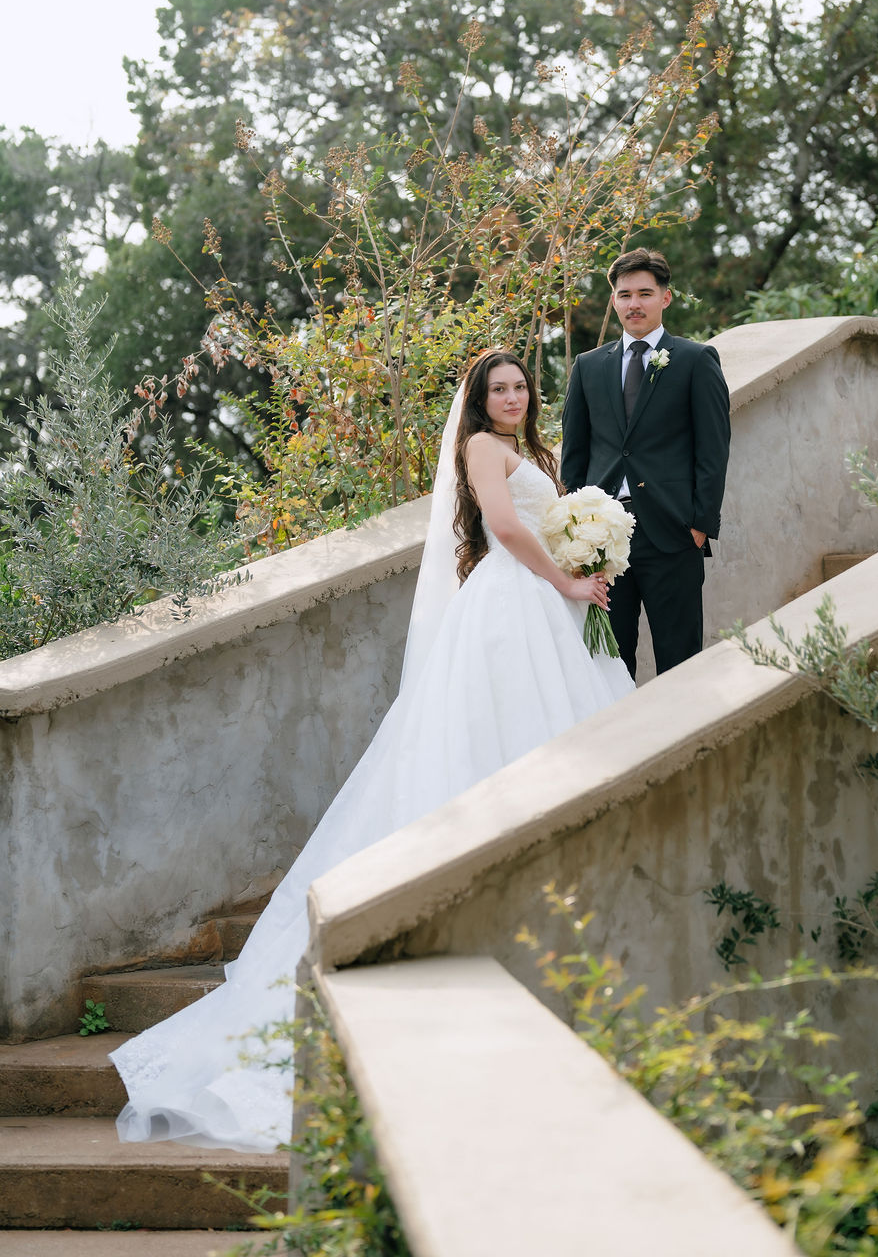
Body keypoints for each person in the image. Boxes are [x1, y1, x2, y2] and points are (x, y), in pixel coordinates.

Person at [110, 350, 633, 1154]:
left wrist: (580, 564)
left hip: (545, 606)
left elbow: (540, 524)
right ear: (477, 401)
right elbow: (502, 527)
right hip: (510, 611)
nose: (512, 396)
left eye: (521, 386)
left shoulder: (532, 451)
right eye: (498, 388)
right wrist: (565, 582)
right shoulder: (484, 450)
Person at [560, 248, 730, 677]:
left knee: (681, 658)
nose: (634, 304)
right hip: (602, 544)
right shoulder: (588, 366)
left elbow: (713, 449)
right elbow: (575, 454)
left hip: (673, 534)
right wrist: (576, 532)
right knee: (608, 662)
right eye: (624, 294)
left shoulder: (695, 360)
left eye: (644, 293)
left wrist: (699, 525)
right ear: (613, 300)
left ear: (665, 298)